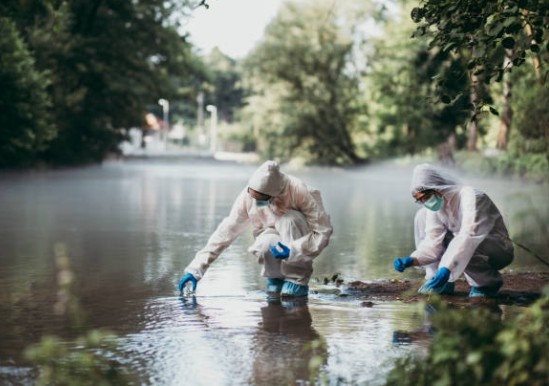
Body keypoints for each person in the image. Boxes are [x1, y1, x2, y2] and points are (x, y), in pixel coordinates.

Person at [178, 160, 333, 298]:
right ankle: (275, 277)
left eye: (261, 198)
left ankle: (296, 279)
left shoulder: (299, 190)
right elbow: (226, 232)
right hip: (271, 233)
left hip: (297, 233)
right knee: (266, 243)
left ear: (274, 194)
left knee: (289, 220)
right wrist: (195, 269)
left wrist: (294, 250)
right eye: (252, 195)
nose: (255, 201)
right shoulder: (248, 196)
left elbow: (322, 230)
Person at [393, 163, 514, 297]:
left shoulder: (473, 197)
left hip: (496, 251)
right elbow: (433, 241)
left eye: (426, 197)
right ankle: (439, 279)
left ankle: (486, 283)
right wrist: (413, 259)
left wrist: (446, 268)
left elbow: (469, 236)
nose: (426, 202)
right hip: (465, 251)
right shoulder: (438, 207)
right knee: (422, 215)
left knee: (465, 242)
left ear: (437, 188)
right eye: (421, 200)